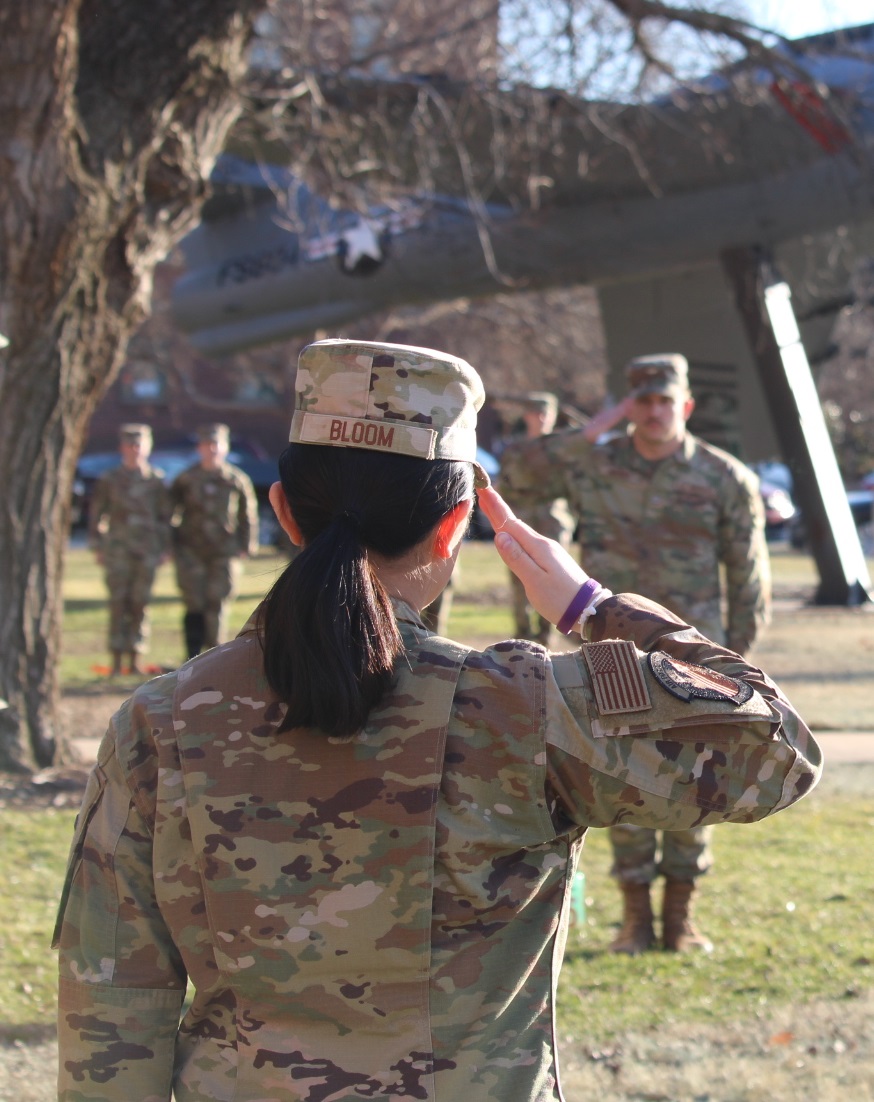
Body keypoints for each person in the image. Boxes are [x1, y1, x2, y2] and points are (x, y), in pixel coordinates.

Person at [55, 339, 819, 1102]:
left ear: (282, 511)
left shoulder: (159, 721)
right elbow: (777, 747)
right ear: (455, 526)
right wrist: (593, 607)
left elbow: (112, 1005)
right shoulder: (520, 706)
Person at [500, 353, 771, 955]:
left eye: (664, 401)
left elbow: (748, 576)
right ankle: (633, 920)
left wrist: (739, 660)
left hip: (693, 653)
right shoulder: (593, 465)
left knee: (698, 774)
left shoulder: (724, 477)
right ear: (627, 406)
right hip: (613, 651)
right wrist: (595, 428)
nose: (653, 413)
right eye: (641, 402)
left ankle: (680, 917)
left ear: (686, 406)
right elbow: (517, 473)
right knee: (623, 770)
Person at [87, 423, 171, 676]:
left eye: (139, 445)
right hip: (118, 551)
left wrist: (164, 548)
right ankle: (115, 660)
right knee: (117, 604)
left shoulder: (156, 480)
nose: (135, 450)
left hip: (146, 551)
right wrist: (98, 546)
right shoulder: (109, 479)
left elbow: (165, 517)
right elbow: (96, 514)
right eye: (130, 445)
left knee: (140, 604)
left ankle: (135, 658)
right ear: (122, 447)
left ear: (147, 447)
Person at [169, 422, 259, 658]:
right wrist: (171, 545)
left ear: (225, 448)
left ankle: (214, 656)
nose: (211, 449)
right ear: (199, 448)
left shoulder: (235, 479)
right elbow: (169, 512)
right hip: (191, 552)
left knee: (218, 601)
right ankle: (191, 656)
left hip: (224, 551)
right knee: (194, 602)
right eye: (207, 445)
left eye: (216, 444)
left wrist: (247, 544)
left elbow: (247, 514)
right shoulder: (187, 479)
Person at [501, 391, 574, 645]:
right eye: (536, 412)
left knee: (554, 577)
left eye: (546, 413)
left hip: (551, 519)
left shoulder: (562, 448)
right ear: (527, 415)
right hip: (521, 519)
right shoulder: (515, 449)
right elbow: (504, 485)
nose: (541, 418)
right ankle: (522, 636)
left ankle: (546, 637)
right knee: (519, 577)